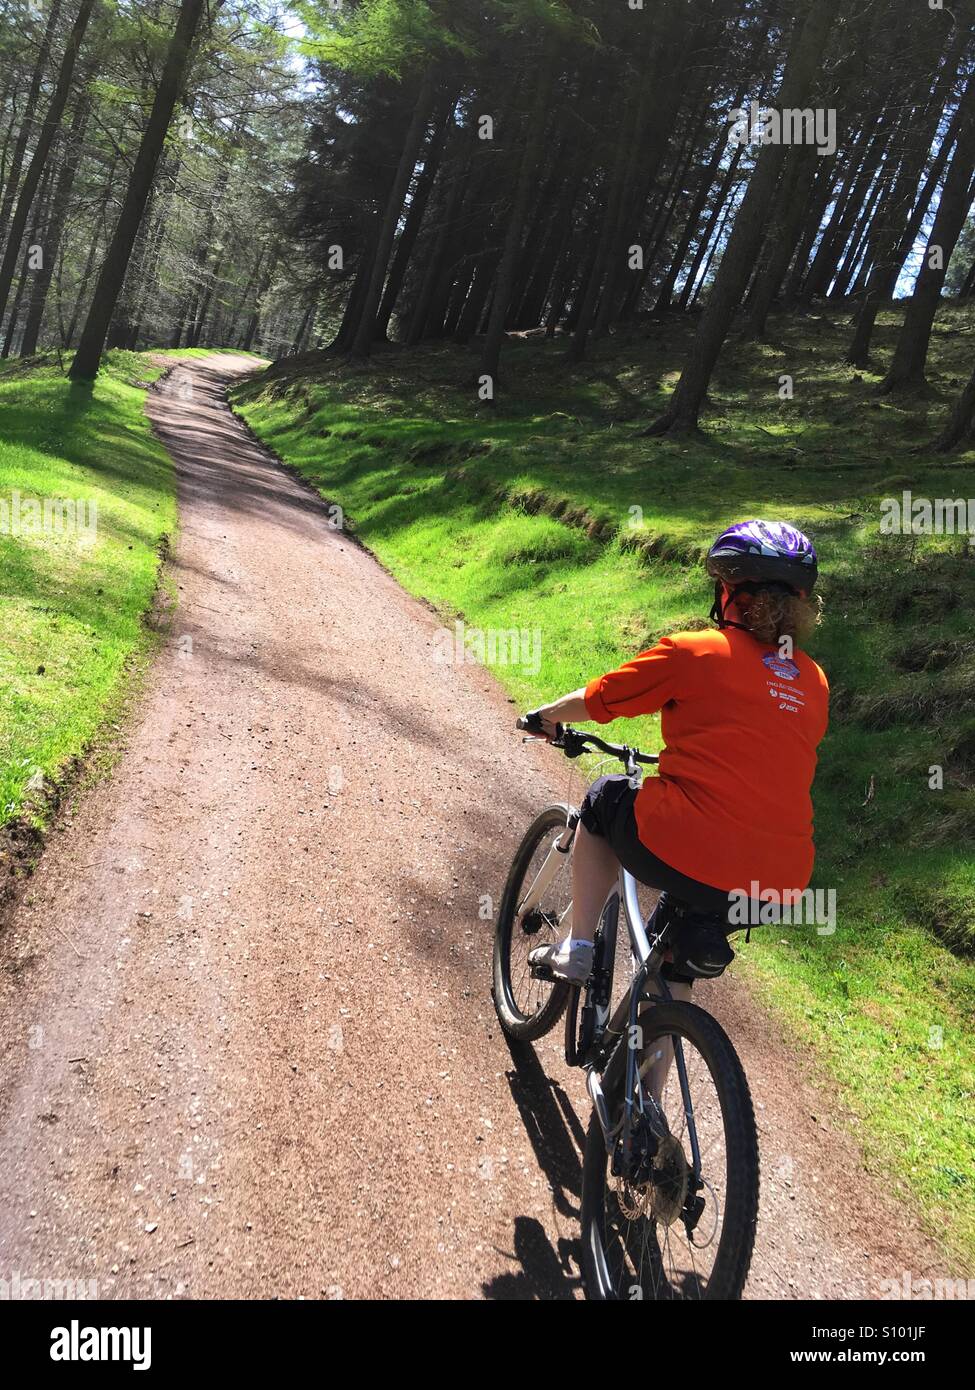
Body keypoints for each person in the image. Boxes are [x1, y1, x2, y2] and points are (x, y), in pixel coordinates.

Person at [527, 519, 829, 986]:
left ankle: (578, 946)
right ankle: (662, 1039)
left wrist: (548, 715)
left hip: (691, 843)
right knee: (671, 966)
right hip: (778, 884)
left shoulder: (698, 652)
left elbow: (604, 698)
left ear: (732, 593)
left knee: (605, 797)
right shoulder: (813, 681)